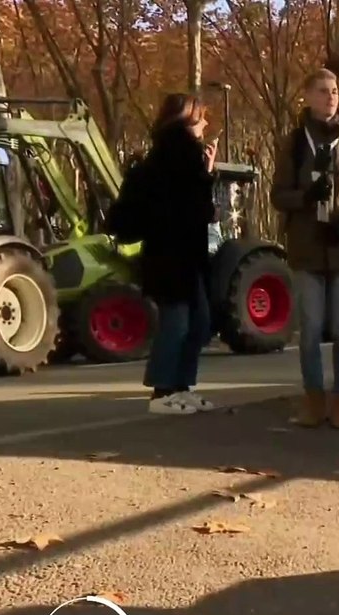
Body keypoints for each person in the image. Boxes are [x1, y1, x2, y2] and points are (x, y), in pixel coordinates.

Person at [270, 68, 339, 429]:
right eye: (322, 90)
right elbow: (278, 195)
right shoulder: (295, 142)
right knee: (311, 327)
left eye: (334, 90)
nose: (331, 96)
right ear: (307, 96)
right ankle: (313, 400)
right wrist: (305, 197)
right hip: (306, 248)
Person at [136, 93, 219, 415]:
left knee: (200, 322)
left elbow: (198, 205)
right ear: (185, 121)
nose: (206, 124)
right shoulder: (163, 159)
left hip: (190, 255)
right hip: (168, 256)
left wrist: (206, 173)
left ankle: (182, 387)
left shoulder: (190, 159)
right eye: (201, 118)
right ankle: (161, 391)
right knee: (177, 323)